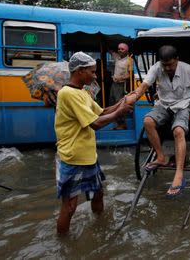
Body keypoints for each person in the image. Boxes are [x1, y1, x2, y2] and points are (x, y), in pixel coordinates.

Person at [54, 51, 133, 235]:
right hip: (72, 157)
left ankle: (100, 229)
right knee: (70, 206)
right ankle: (63, 243)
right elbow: (95, 123)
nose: (95, 75)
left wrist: (122, 101)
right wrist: (120, 111)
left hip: (88, 156)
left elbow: (102, 112)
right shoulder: (68, 93)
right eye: (92, 71)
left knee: (98, 194)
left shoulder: (83, 92)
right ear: (80, 71)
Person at [129, 45, 190, 197]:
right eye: (164, 65)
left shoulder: (187, 69)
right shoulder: (157, 68)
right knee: (147, 121)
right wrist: (133, 97)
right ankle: (160, 156)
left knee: (178, 131)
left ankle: (179, 174)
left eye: (170, 64)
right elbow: (144, 85)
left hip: (183, 105)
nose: (167, 68)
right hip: (164, 104)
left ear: (177, 60)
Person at [109, 43, 132, 129]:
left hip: (121, 84)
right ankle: (117, 123)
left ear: (127, 51)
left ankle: (122, 124)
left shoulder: (129, 60)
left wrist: (120, 78)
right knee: (112, 102)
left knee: (119, 103)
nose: (120, 50)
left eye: (122, 49)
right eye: (119, 49)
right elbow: (110, 51)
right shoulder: (117, 57)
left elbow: (129, 75)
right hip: (114, 84)